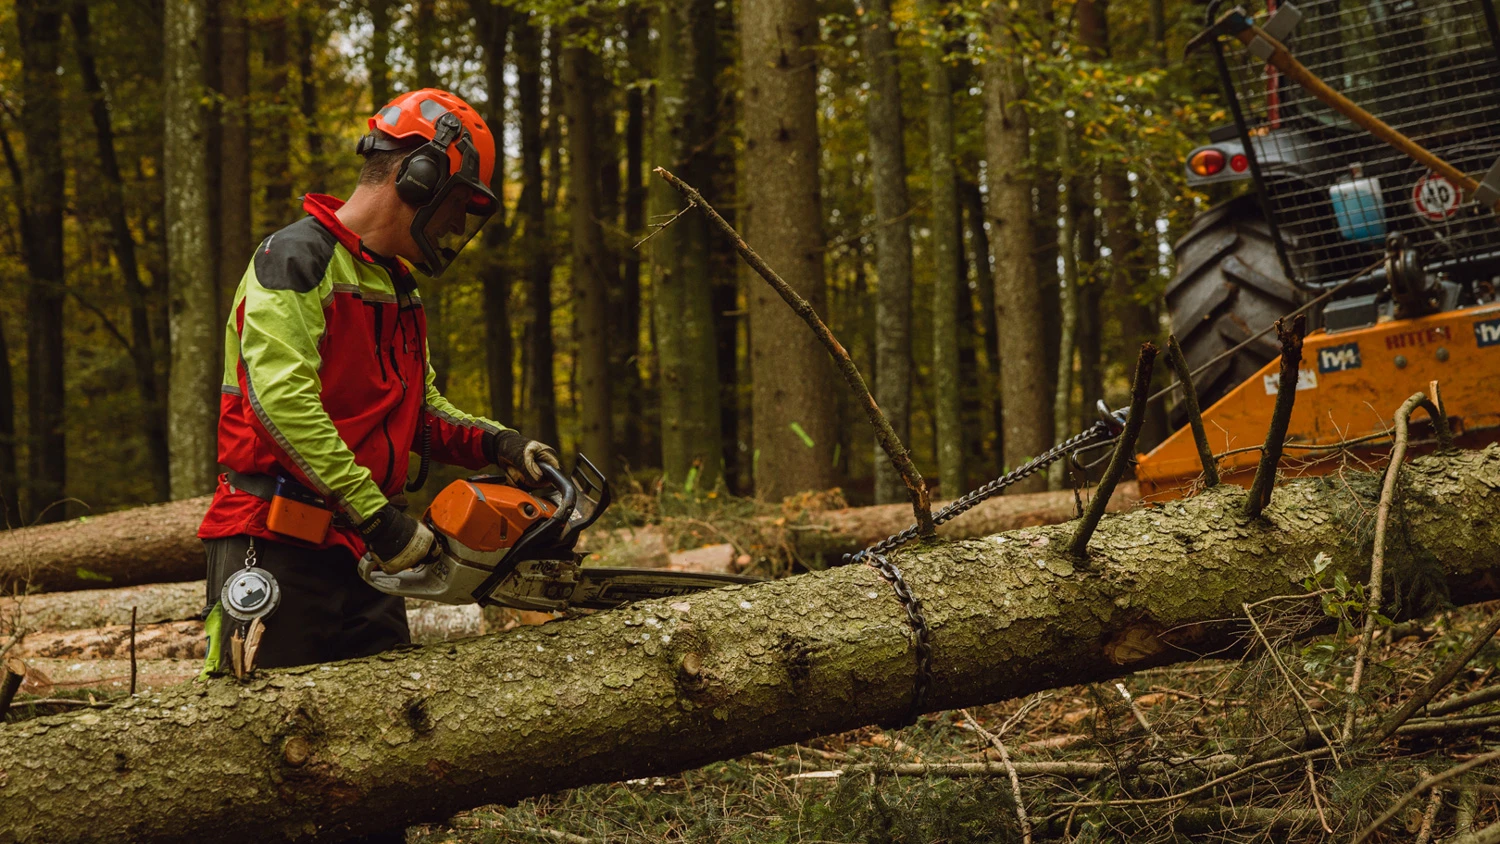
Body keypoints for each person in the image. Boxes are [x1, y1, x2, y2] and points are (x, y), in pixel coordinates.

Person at [197, 88, 559, 676]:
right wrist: (380, 518)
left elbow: (417, 408)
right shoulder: (295, 258)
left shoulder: (396, 284)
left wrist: (499, 443)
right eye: (456, 203)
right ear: (420, 176)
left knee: (390, 737)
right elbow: (282, 404)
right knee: (262, 741)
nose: (453, 223)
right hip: (277, 538)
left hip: (366, 551)